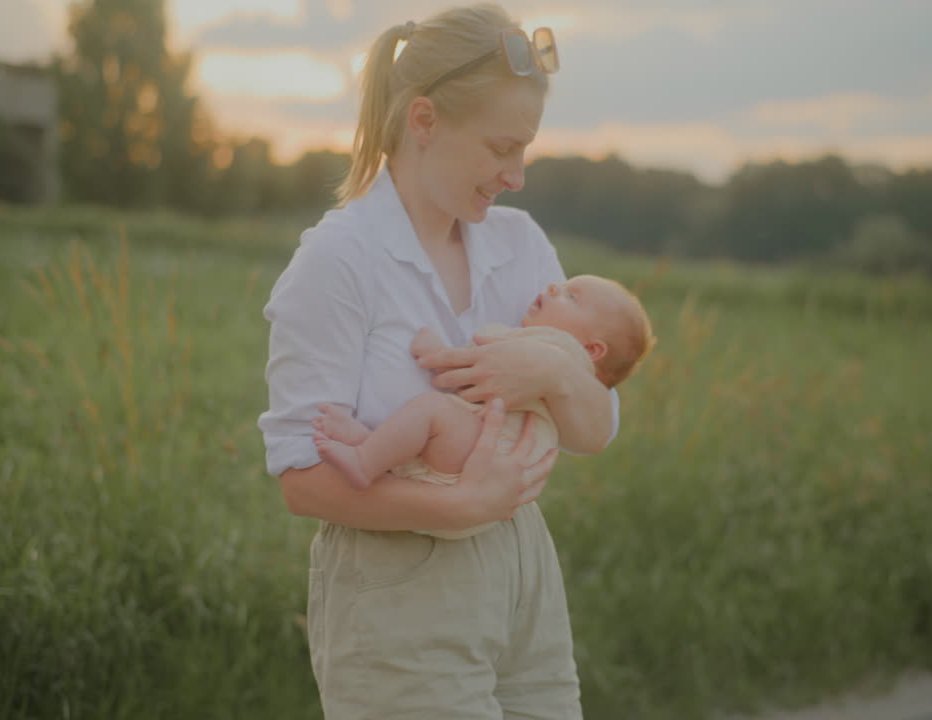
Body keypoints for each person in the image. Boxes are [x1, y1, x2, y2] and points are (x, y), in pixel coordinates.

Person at [258, 5, 621, 717]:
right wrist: (457, 505)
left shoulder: (521, 249)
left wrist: (552, 372)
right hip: (399, 582)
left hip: (523, 572)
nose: (516, 176)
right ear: (423, 121)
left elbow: (596, 429)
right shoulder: (338, 261)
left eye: (526, 150)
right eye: (499, 148)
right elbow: (301, 480)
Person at [309, 274, 653, 519]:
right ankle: (368, 445)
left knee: (430, 410)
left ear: (591, 349)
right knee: (432, 426)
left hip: (483, 450)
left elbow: (464, 375)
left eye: (571, 296)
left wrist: (435, 350)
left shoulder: (548, 346)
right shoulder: (571, 376)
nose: (552, 286)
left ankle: (365, 460)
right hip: (491, 464)